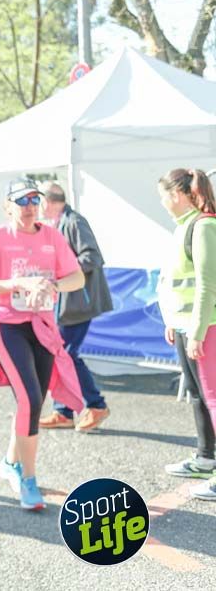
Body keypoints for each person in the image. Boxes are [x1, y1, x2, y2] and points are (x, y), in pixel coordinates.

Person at [0, 178, 85, 511]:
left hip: (43, 326)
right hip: (8, 326)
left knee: (32, 403)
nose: (31, 205)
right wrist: (17, 282)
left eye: (35, 199)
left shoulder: (52, 236)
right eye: (22, 200)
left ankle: (8, 461)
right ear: (8, 206)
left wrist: (53, 284)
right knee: (30, 399)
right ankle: (28, 480)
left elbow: (78, 277)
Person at [156, 169, 216, 500]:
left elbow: (207, 284)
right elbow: (176, 281)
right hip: (184, 325)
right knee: (198, 396)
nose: (162, 203)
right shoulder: (183, 228)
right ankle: (206, 458)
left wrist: (196, 331)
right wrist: (173, 321)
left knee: (214, 398)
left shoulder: (204, 226)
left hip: (204, 327)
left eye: (163, 196)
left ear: (177, 195)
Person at [37, 182, 114, 432]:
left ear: (48, 202)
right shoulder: (59, 223)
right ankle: (64, 411)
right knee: (61, 354)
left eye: (39, 203)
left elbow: (92, 256)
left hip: (79, 302)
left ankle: (96, 405)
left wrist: (62, 271)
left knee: (67, 354)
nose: (38, 209)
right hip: (67, 303)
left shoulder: (74, 221)